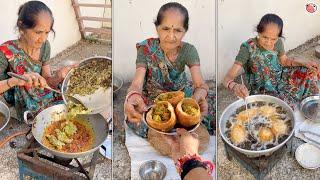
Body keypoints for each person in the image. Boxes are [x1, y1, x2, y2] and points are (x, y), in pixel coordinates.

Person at [124, 2, 215, 138]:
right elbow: (136, 84)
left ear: (185, 31)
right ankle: (174, 133)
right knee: (134, 114)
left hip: (181, 96)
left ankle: (172, 132)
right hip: (154, 100)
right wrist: (132, 95)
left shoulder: (189, 50)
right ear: (157, 28)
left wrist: (200, 93)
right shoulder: (146, 49)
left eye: (178, 30)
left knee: (211, 105)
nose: (171, 36)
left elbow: (200, 84)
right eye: (165, 28)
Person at [223, 13, 320, 108]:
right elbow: (227, 78)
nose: (269, 42)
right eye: (265, 37)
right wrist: (235, 86)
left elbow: (284, 61)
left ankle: (311, 102)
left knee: (308, 72)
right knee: (275, 106)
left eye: (273, 39)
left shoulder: (278, 43)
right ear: (258, 32)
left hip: (280, 78)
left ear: (278, 37)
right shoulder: (247, 48)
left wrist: (304, 64)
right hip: (262, 87)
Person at [0, 1, 74, 120]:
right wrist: (15, 81)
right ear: (22, 27)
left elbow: (48, 82)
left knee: (70, 99)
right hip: (20, 95)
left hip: (39, 89)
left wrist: (58, 76)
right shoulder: (5, 52)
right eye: (38, 32)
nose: (43, 39)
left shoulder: (45, 47)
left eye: (47, 32)